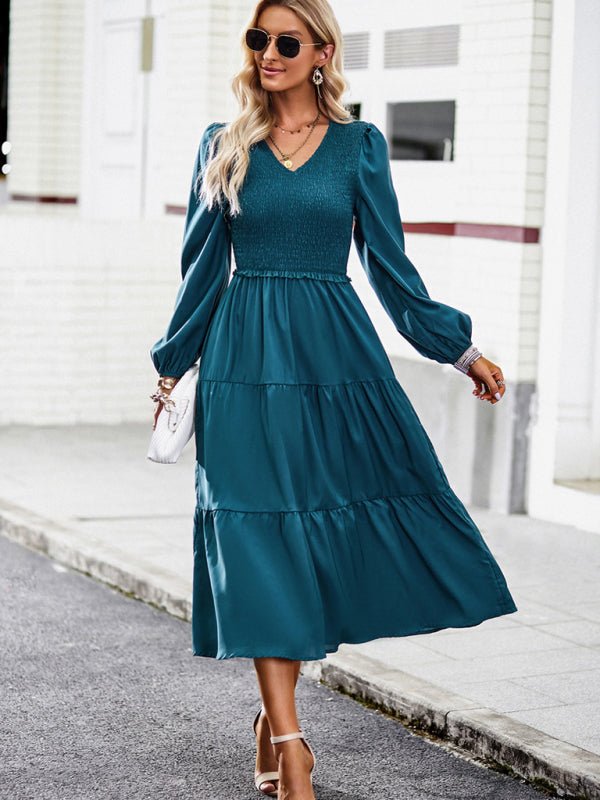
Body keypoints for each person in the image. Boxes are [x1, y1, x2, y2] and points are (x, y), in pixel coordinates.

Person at [149, 1, 517, 797]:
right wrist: (173, 364)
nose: (269, 52)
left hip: (334, 357)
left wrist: (459, 349)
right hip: (244, 357)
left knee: (317, 534)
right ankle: (291, 744)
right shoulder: (224, 144)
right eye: (258, 38)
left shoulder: (359, 147)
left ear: (321, 52)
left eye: (287, 40)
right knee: (254, 534)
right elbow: (201, 268)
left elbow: (390, 270)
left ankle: (268, 719)